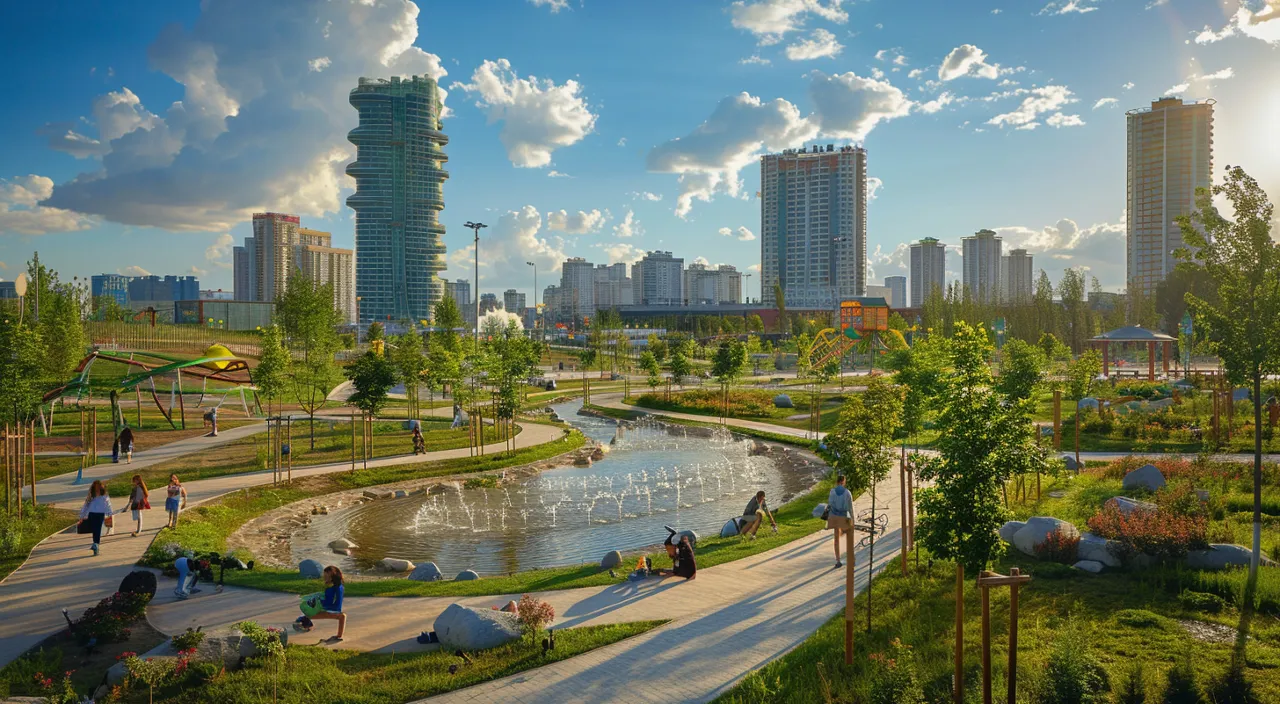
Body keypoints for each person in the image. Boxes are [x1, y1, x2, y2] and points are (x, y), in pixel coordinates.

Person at [294, 566, 346, 643]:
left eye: (325, 576)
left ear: (331, 577)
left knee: (309, 612)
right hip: (335, 608)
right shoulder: (340, 586)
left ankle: (306, 623)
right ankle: (339, 635)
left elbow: (327, 603)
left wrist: (319, 602)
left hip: (331, 609)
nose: (324, 578)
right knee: (341, 616)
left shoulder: (330, 589)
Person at [826, 474, 855, 568]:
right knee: (849, 537)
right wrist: (852, 519)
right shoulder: (847, 493)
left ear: (837, 482)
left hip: (834, 517)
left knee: (836, 540)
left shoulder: (832, 492)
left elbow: (829, 505)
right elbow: (850, 508)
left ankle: (838, 560)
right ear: (843, 482)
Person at [79, 480, 113, 556]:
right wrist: (82, 515)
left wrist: (110, 513)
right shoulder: (91, 496)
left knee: (97, 529)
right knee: (95, 530)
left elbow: (108, 504)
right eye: (95, 486)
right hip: (92, 514)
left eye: (98, 486)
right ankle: (95, 544)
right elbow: (86, 505)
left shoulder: (104, 495)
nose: (97, 487)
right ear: (94, 487)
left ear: (101, 487)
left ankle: (96, 544)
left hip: (100, 514)